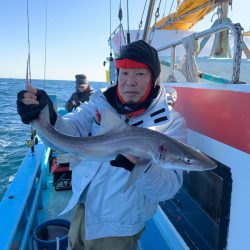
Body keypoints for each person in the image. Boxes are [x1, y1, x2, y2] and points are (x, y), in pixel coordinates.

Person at [17, 40, 187, 250]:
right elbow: (69, 130)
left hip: (118, 230)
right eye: (124, 73)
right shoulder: (101, 102)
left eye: (140, 74)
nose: (130, 82)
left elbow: (168, 188)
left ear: (153, 78)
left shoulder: (170, 122)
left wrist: (142, 168)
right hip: (81, 209)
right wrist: (48, 116)